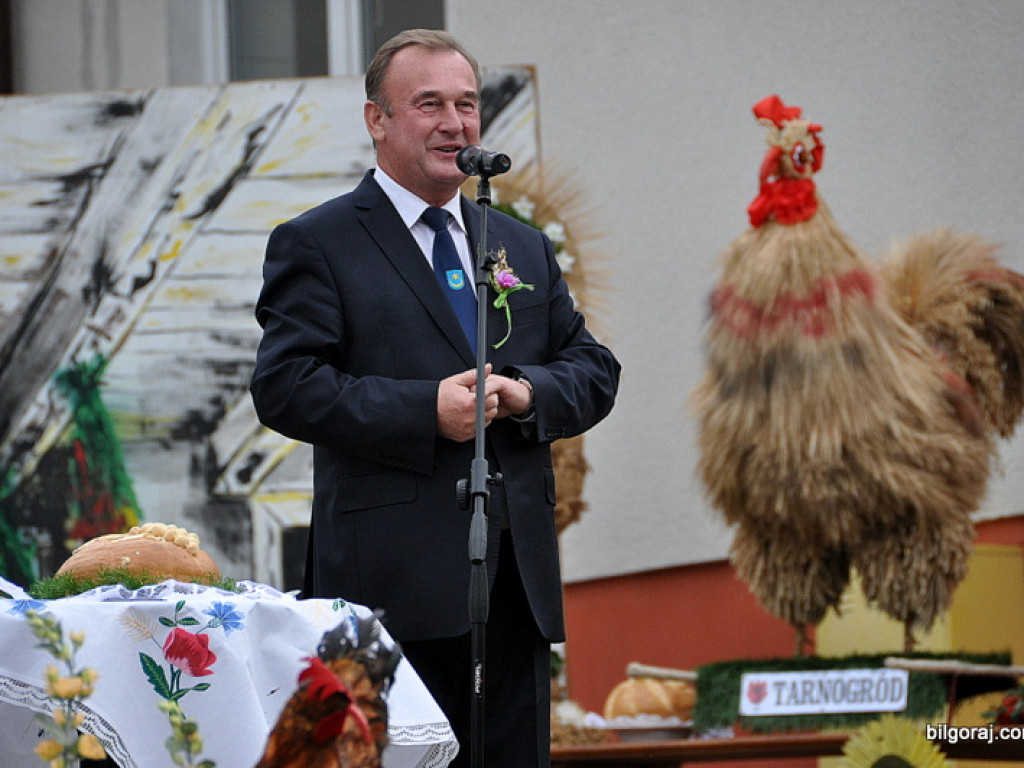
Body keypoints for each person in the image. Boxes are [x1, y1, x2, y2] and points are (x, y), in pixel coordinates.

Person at [250, 28, 620, 767]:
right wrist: (426, 411)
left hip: (513, 590)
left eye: (467, 104)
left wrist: (524, 393)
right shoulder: (318, 243)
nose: (455, 123)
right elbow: (286, 386)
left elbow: (593, 369)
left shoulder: (520, 246)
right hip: (389, 595)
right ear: (376, 120)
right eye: (429, 104)